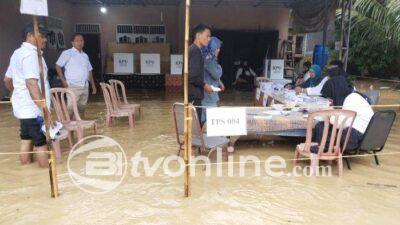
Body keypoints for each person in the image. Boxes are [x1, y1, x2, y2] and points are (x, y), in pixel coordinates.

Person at [5, 23, 53, 168]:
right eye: (42, 36)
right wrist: (44, 109)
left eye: (45, 37)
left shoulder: (17, 53)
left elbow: (7, 79)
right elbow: (31, 83)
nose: (45, 40)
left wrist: (17, 94)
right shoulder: (31, 55)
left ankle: (26, 172)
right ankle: (44, 172)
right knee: (41, 142)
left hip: (23, 108)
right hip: (34, 110)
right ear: (30, 36)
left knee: (26, 139)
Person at [311, 76, 374, 153]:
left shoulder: (351, 99)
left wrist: (329, 114)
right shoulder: (352, 96)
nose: (330, 101)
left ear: (335, 92)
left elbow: (339, 124)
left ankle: (325, 148)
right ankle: (324, 147)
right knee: (321, 125)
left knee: (324, 126)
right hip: (362, 134)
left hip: (356, 137)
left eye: (330, 97)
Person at [56, 34, 97, 118]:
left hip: (84, 86)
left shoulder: (85, 55)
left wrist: (93, 85)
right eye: (77, 40)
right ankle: (68, 129)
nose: (80, 42)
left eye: (81, 40)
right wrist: (63, 81)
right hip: (72, 86)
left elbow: (89, 70)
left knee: (82, 108)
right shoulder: (67, 53)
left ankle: (80, 127)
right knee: (70, 109)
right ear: (72, 43)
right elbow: (58, 66)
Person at [189, 24, 213, 123]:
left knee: (192, 125)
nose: (209, 39)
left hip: (191, 94)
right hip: (194, 95)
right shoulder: (195, 51)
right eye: (207, 36)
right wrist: (205, 85)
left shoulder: (191, 49)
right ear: (198, 36)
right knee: (194, 125)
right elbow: (192, 76)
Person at [201, 37, 224, 124]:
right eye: (217, 48)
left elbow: (214, 76)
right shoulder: (209, 59)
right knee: (209, 122)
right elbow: (216, 74)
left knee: (206, 121)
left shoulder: (209, 58)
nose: (219, 50)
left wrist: (219, 82)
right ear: (212, 47)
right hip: (208, 96)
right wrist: (220, 68)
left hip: (208, 95)